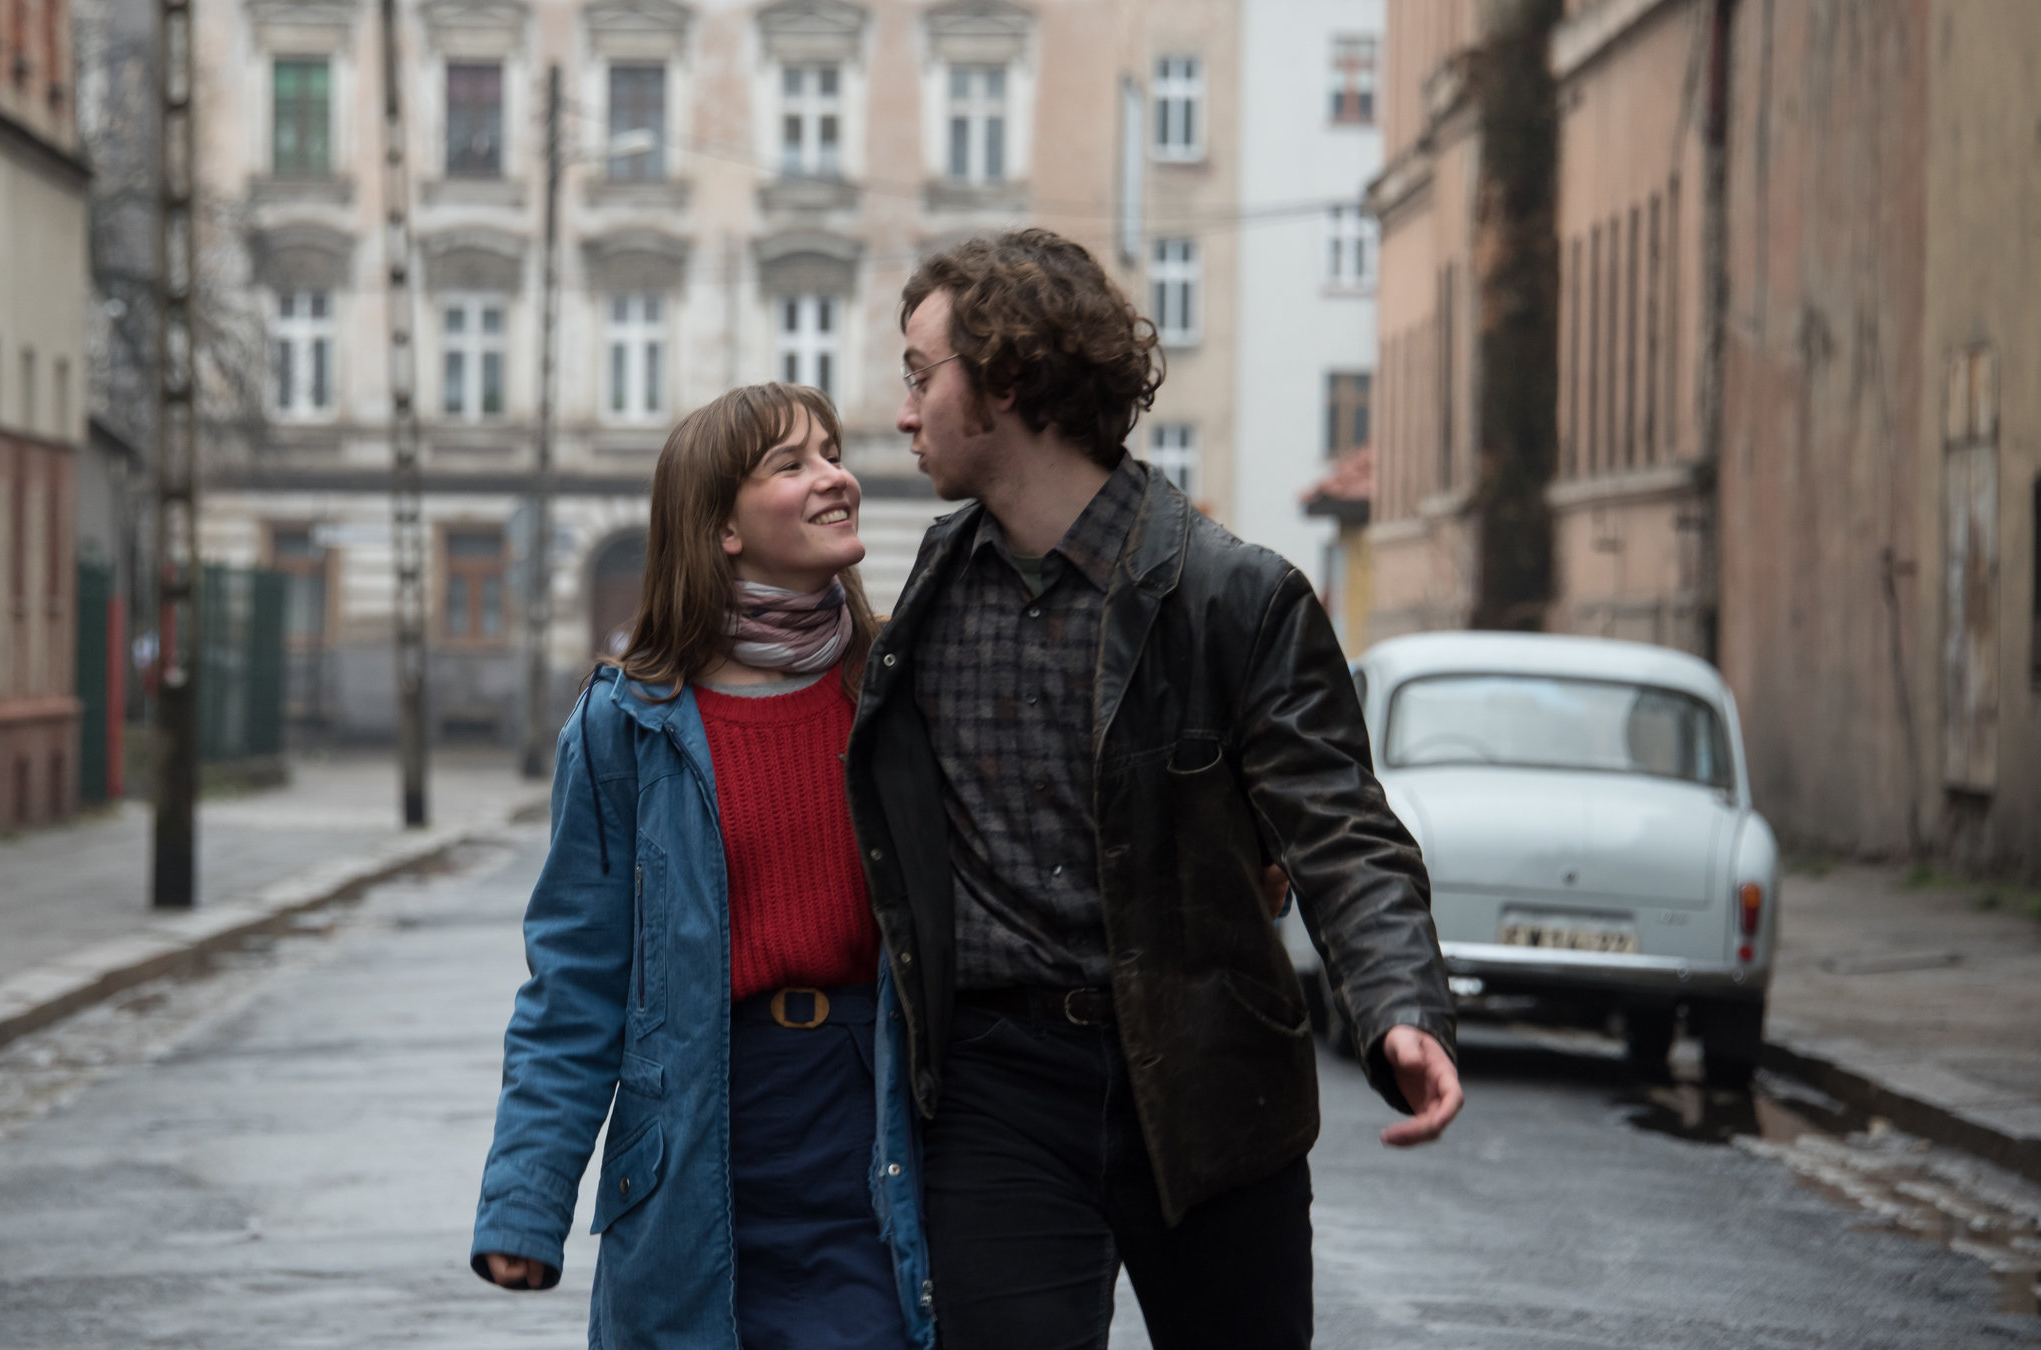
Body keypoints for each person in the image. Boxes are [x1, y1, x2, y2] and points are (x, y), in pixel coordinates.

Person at [842, 229, 1463, 1350]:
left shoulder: (1235, 597)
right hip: (997, 1094)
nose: (901, 411)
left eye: (918, 374)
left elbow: (1339, 832)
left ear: (1009, 380)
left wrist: (1399, 1007)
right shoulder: (931, 590)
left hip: (1209, 1080)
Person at [472, 383, 934, 1350]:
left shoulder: (902, 692)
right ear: (721, 526)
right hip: (692, 1150)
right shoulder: (625, 725)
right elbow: (575, 987)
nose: (835, 478)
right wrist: (525, 1202)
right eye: (793, 464)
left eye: (833, 453)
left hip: (877, 1134)